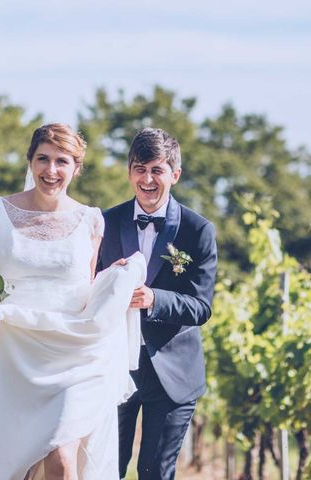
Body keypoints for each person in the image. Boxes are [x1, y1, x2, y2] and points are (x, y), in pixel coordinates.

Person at [0, 123, 146, 479]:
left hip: (72, 353)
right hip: (10, 352)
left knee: (61, 457)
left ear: (77, 168)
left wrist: (115, 283)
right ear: (29, 162)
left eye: (62, 161)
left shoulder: (91, 220)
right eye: (42, 159)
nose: (51, 170)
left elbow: (85, 286)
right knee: (16, 462)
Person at [97, 127, 217, 480]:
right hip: (113, 364)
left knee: (154, 472)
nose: (147, 179)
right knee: (105, 469)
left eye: (157, 170)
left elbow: (201, 306)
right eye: (139, 168)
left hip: (172, 373)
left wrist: (154, 299)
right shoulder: (104, 222)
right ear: (129, 171)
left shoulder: (198, 230)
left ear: (175, 175)